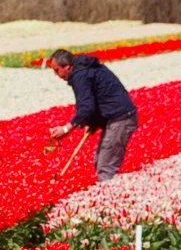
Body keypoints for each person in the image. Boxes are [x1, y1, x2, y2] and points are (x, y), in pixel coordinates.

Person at [48, 49, 138, 183]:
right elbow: (98, 98)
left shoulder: (81, 75)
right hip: (116, 115)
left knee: (105, 167)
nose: (56, 75)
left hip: (121, 118)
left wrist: (66, 129)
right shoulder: (84, 69)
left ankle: (111, 198)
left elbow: (87, 106)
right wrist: (94, 122)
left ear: (67, 67)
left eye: (57, 70)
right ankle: (108, 192)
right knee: (100, 162)